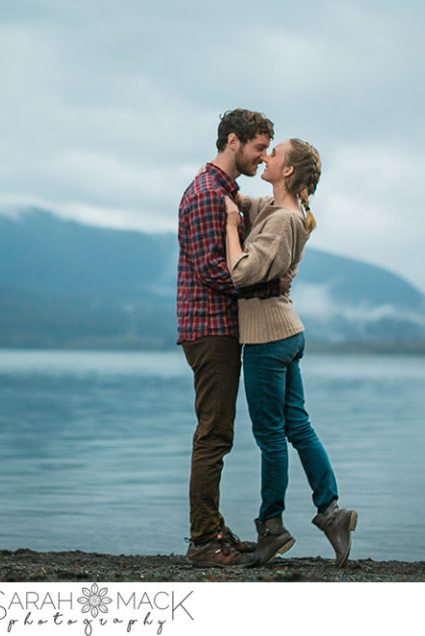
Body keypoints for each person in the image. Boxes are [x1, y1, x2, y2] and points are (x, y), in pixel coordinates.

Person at [224, 138, 358, 567]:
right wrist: (228, 189)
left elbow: (243, 273)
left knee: (270, 437)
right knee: (297, 427)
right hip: (285, 333)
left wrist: (229, 228)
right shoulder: (282, 210)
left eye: (274, 153)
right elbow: (248, 202)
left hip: (267, 338)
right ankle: (331, 513)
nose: (266, 156)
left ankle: (271, 527)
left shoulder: (284, 220)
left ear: (288, 172)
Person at [177, 109, 273, 567]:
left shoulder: (224, 191)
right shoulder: (204, 194)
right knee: (213, 435)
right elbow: (210, 269)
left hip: (223, 326)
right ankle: (202, 541)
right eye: (258, 147)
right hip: (208, 328)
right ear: (233, 141)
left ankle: (213, 528)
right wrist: (262, 283)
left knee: (219, 433)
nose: (263, 156)